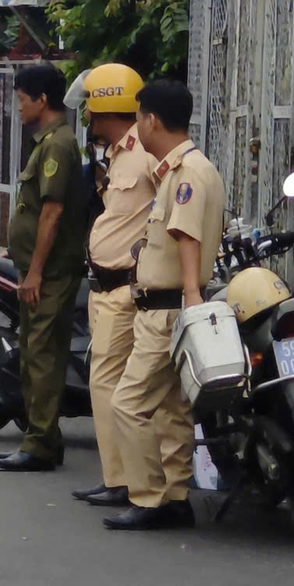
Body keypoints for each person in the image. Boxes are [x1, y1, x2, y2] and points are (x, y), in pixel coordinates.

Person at [101, 78, 225, 533]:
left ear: (151, 119)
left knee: (128, 402)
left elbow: (186, 236)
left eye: (138, 117)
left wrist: (191, 298)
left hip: (169, 309)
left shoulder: (186, 174)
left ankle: (148, 498)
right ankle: (174, 495)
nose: (138, 127)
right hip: (171, 306)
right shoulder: (187, 168)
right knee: (173, 408)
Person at [0, 62, 91, 474]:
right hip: (38, 270)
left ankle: (39, 444)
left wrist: (34, 271)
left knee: (43, 357)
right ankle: (42, 441)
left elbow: (51, 213)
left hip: (51, 273)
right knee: (33, 352)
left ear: (42, 100)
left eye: (21, 99)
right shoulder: (50, 141)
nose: (17, 107)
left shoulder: (57, 145)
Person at [70, 63, 148, 511]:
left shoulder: (146, 155)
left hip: (126, 289)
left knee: (115, 386)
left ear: (106, 108)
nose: (88, 122)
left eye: (92, 112)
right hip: (104, 287)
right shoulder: (117, 154)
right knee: (106, 384)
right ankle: (117, 476)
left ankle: (123, 480)